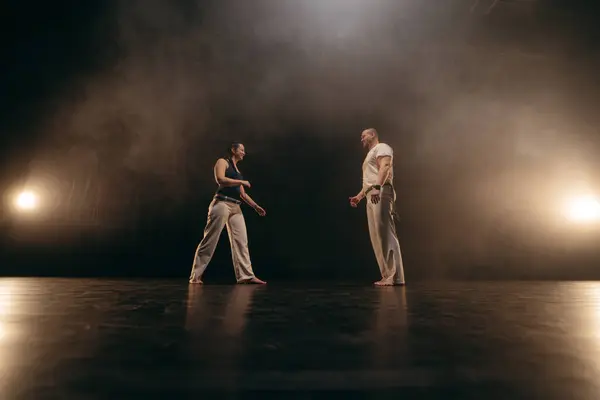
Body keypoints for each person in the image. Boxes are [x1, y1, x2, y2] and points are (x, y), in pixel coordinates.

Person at [189, 142, 267, 284]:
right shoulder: (222, 162)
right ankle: (195, 276)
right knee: (210, 239)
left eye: (244, 150)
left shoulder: (238, 173)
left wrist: (256, 206)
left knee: (241, 241)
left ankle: (246, 276)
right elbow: (221, 180)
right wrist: (241, 182)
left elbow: (242, 195)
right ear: (233, 150)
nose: (244, 152)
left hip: (236, 207)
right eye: (242, 149)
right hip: (221, 204)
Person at [349, 128, 406, 286]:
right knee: (377, 237)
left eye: (364, 135)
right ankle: (387, 275)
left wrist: (377, 187)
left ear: (373, 135)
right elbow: (369, 180)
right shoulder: (369, 155)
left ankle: (396, 277)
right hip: (372, 194)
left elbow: (385, 166)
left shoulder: (382, 147)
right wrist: (359, 197)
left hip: (380, 192)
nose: (361, 139)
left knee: (386, 234)